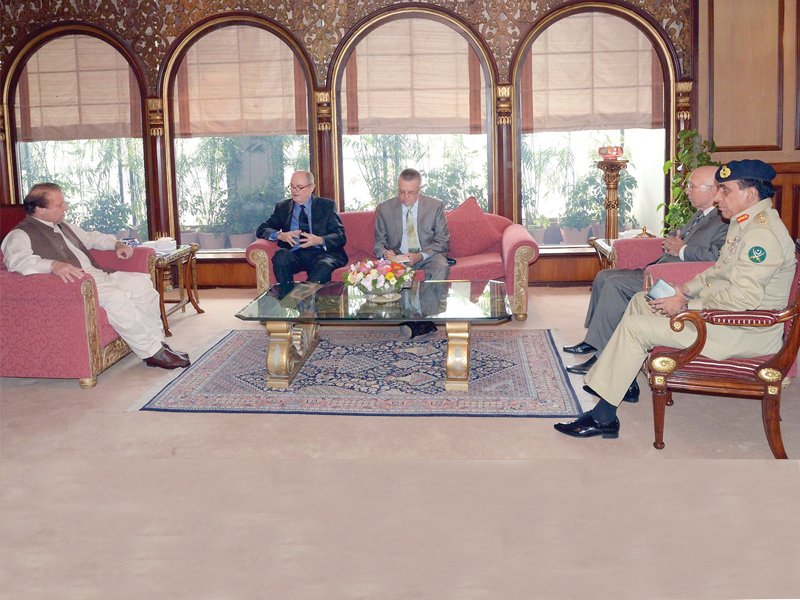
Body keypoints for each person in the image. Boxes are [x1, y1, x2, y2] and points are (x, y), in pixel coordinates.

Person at [554, 159, 795, 439]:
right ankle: (623, 381)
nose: (718, 197)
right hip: (725, 320)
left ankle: (604, 415)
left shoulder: (761, 235)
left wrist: (686, 306)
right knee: (641, 301)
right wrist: (684, 290)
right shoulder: (746, 223)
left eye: (725, 190)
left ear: (749, 194)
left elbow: (744, 300)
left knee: (635, 328)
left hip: (743, 331)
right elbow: (718, 271)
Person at [1, 183, 190, 369]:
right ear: (39, 210)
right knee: (117, 299)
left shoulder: (63, 226)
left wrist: (116, 244)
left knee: (141, 284)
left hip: (99, 275)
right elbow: (17, 261)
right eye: (59, 205)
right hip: (77, 285)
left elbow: (92, 238)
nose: (65, 208)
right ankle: (152, 352)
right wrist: (52, 265)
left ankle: (158, 345)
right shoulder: (20, 234)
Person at [563, 165, 728, 377]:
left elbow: (718, 257)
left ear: (713, 190)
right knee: (604, 276)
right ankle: (594, 339)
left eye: (692, 186)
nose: (687, 190)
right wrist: (674, 244)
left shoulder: (724, 219)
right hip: (660, 268)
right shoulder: (701, 214)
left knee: (614, 284)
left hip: (674, 279)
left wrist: (683, 249)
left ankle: (603, 355)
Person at [373, 168, 450, 338]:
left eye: (410, 193)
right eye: (401, 192)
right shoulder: (384, 208)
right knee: (390, 269)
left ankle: (424, 317)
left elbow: (442, 241)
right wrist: (386, 253)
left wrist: (420, 256)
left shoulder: (435, 206)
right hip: (400, 256)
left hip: (427, 254)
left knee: (441, 265)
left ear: (419, 190)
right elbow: (378, 242)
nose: (405, 197)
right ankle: (416, 322)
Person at [256, 170, 347, 285]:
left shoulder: (327, 206)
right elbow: (262, 229)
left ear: (311, 187)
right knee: (280, 257)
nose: (294, 191)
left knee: (324, 266)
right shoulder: (282, 207)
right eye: (292, 186)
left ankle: (302, 300)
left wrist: (319, 240)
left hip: (321, 254)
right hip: (295, 254)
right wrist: (280, 235)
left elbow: (340, 236)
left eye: (299, 187)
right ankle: (287, 299)